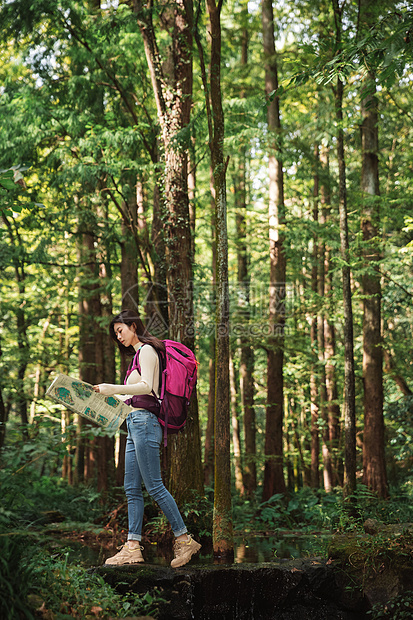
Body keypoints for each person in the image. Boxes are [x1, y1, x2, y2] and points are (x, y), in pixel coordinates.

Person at [93, 309, 201, 568]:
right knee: (131, 489)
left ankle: (185, 540)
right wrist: (100, 395)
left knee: (154, 486)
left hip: (145, 424)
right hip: (133, 423)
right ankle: (132, 547)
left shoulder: (147, 351)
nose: (118, 337)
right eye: (115, 333)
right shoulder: (135, 358)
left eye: (120, 330)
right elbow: (130, 397)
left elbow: (147, 387)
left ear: (133, 326)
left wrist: (113, 387)